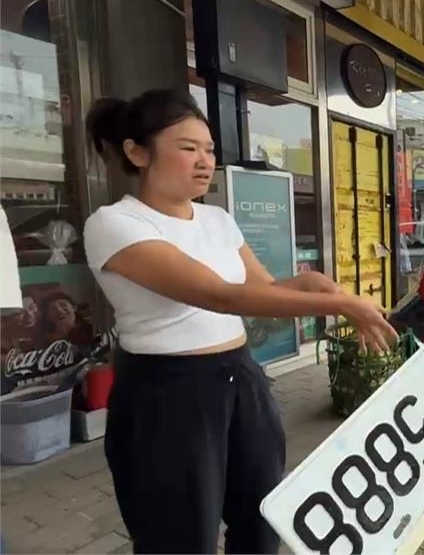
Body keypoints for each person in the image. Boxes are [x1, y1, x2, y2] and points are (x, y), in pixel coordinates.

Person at [82, 89, 397, 554]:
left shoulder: (217, 219)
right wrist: (345, 307)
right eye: (188, 148)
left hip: (241, 379)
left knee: (263, 519)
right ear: (137, 152)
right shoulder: (114, 223)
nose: (204, 161)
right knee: (178, 537)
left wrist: (314, 285)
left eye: (209, 149)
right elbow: (219, 295)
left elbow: (263, 289)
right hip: (167, 395)